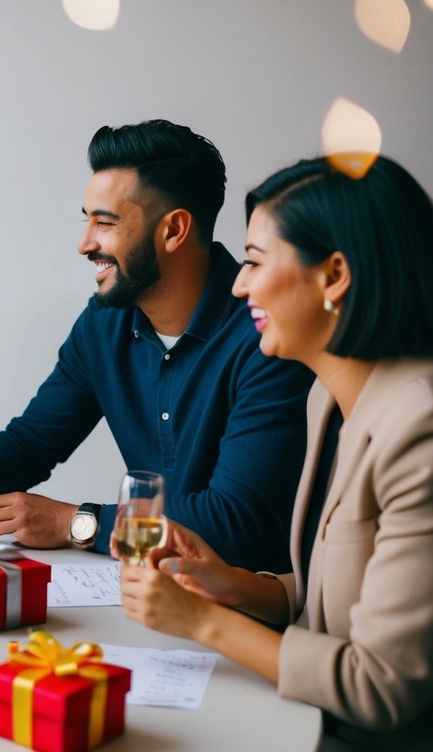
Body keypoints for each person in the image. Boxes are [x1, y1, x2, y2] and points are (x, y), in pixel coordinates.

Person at [0, 119, 314, 572]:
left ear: (173, 230)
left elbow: (236, 523)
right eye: (87, 221)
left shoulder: (268, 335)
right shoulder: (104, 323)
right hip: (149, 592)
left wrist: (77, 523)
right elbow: (32, 442)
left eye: (104, 224)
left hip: (248, 609)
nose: (84, 244)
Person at [120, 155, 433, 749]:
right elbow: (330, 598)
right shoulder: (327, 398)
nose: (238, 284)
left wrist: (203, 622)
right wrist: (230, 584)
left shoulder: (419, 424)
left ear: (334, 275)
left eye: (255, 262)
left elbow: (382, 686)